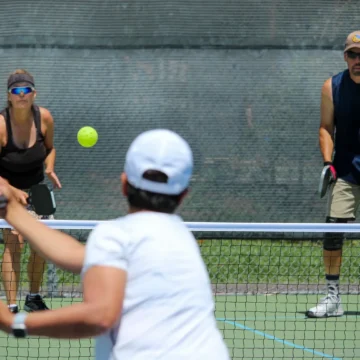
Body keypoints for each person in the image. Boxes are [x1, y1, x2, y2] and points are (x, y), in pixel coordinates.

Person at [0, 129, 229, 360]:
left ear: (123, 184)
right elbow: (76, 256)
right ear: (184, 195)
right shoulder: (182, 240)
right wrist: (11, 209)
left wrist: (15, 322)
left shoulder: (116, 235)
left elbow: (100, 316)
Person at [0, 69, 62, 314]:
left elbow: (50, 149)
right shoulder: (1, 125)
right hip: (4, 190)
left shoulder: (44, 118)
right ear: (9, 96)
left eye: (26, 90)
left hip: (36, 190)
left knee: (42, 244)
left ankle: (33, 298)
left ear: (34, 93)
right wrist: (12, 190)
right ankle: (12, 306)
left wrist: (50, 167)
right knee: (14, 242)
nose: (22, 95)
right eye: (17, 91)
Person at [307, 31, 360, 318]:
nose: (358, 60)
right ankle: (333, 298)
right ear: (345, 57)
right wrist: (328, 162)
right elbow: (326, 127)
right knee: (333, 234)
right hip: (347, 173)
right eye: (353, 54)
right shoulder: (332, 87)